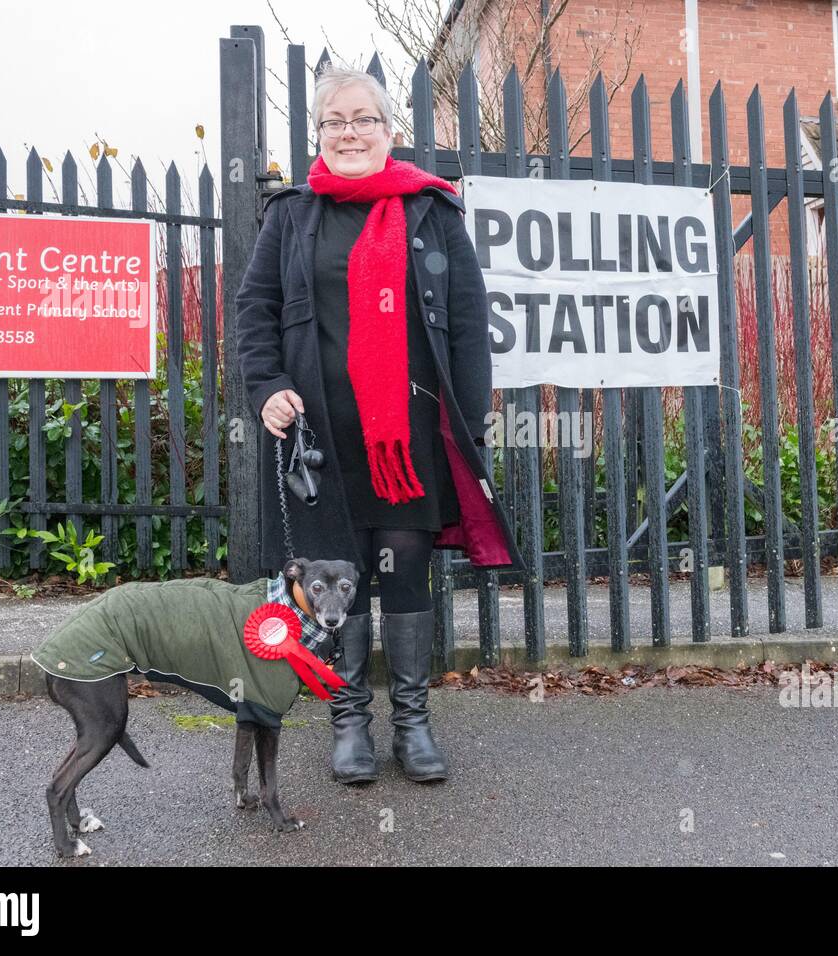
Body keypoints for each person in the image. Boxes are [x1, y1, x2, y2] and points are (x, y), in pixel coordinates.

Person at [234, 67, 524, 786]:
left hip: (410, 436)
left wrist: (470, 416)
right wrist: (267, 386)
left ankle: (414, 722)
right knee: (336, 575)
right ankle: (350, 721)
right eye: (335, 121)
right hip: (321, 433)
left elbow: (467, 323)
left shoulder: (431, 211)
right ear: (320, 134)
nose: (350, 132)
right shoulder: (291, 214)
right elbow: (255, 310)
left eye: (364, 119)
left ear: (388, 131)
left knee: (403, 569)